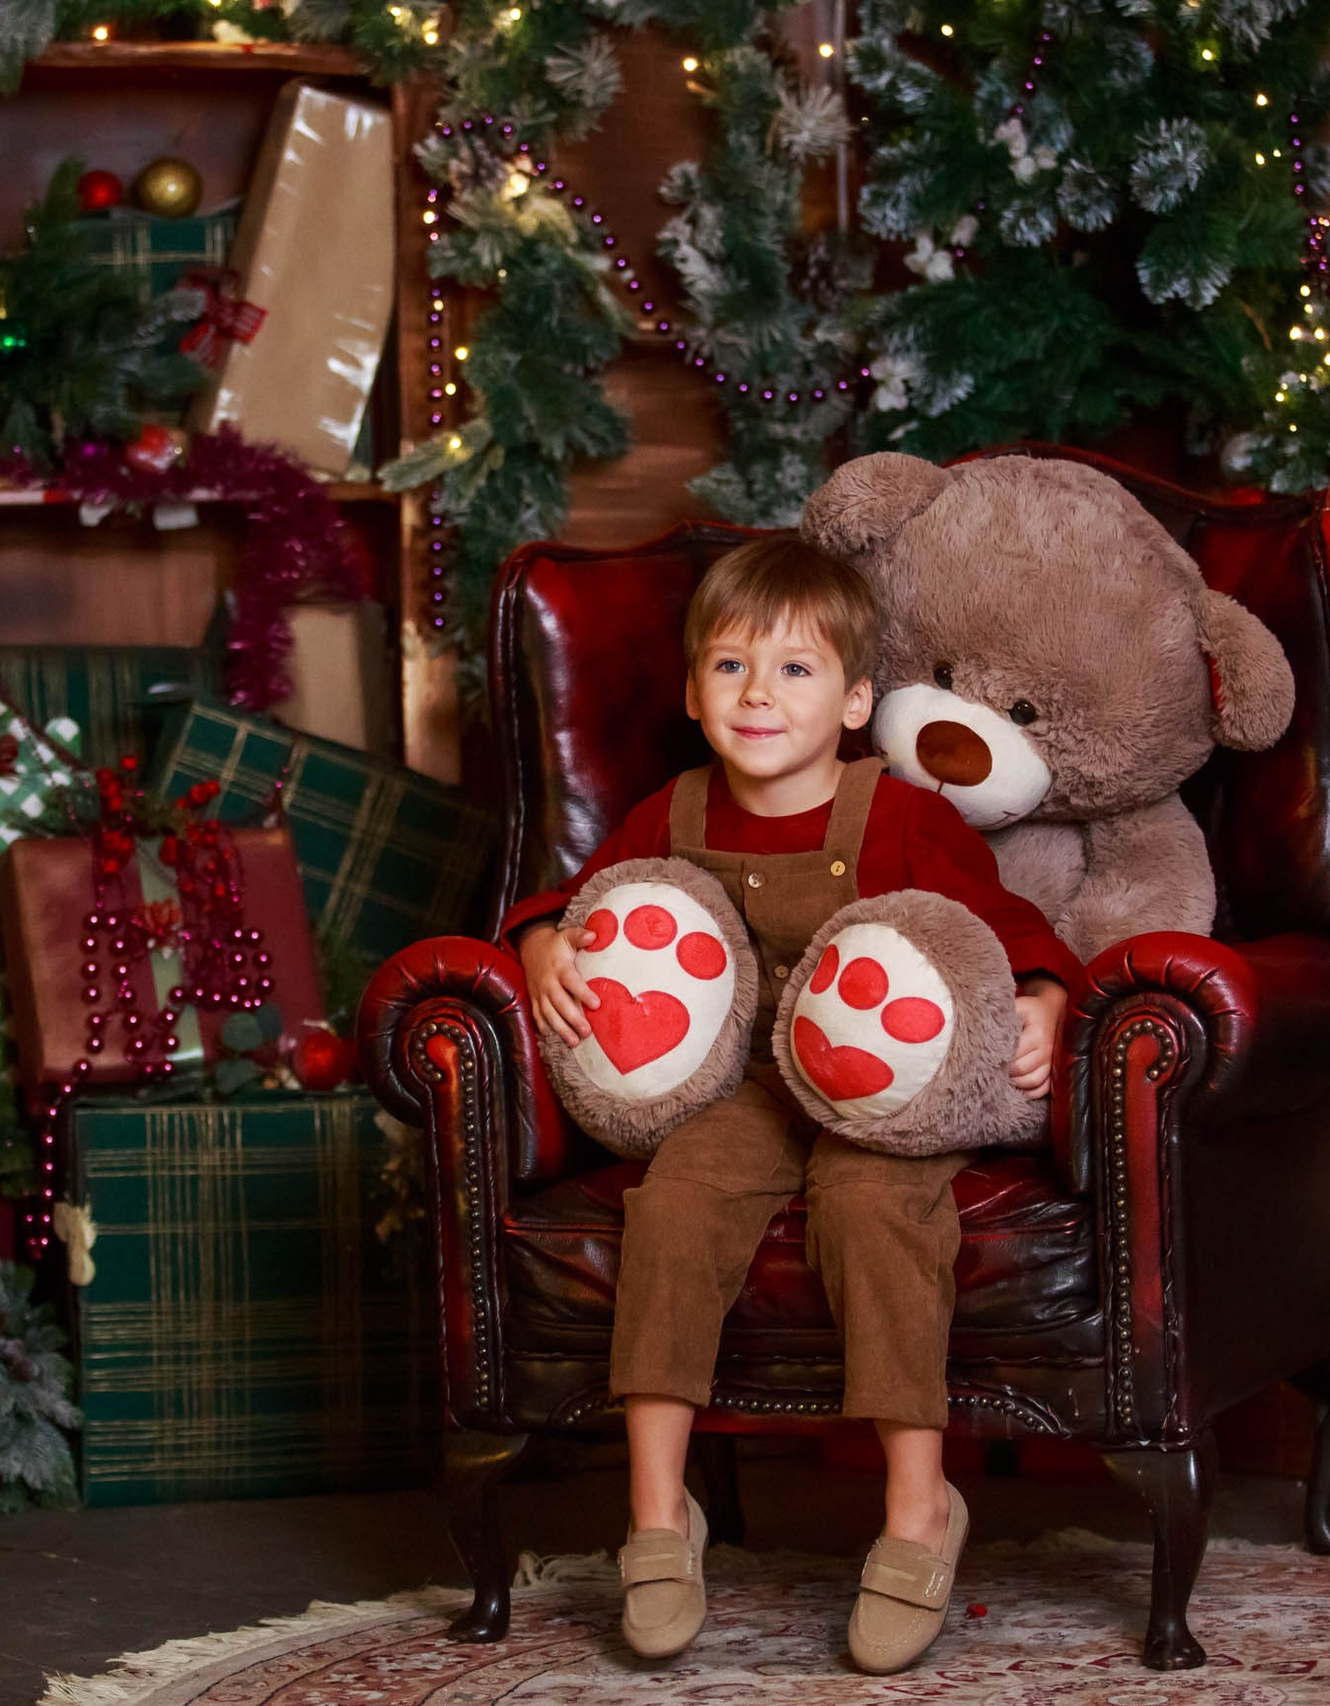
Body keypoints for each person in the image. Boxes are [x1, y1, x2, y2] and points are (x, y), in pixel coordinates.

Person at [502, 535, 1085, 1674]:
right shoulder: (667, 814)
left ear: (858, 700)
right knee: (673, 1202)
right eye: (729, 667)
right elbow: (575, 902)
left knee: (871, 1211)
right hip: (749, 1091)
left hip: (881, 1102)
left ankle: (919, 1505)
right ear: (690, 689)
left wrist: (1050, 998)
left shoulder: (902, 817)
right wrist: (535, 944)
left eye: (796, 670)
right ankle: (659, 1511)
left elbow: (1007, 934)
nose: (757, 693)